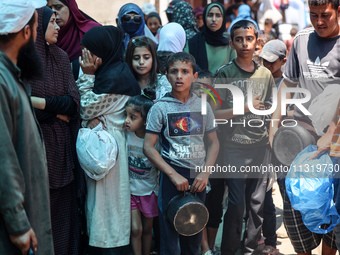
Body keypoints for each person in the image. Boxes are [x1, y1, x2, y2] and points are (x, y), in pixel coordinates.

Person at [269, 0, 340, 253]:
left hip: (335, 146)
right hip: (300, 139)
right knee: (297, 208)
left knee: (330, 210)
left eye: (326, 15)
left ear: (338, 11)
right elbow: (287, 84)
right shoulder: (301, 39)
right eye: (313, 15)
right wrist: (274, 123)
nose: (319, 21)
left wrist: (332, 133)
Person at [143, 52, 219, 255]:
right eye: (174, 71)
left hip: (198, 179)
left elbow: (214, 143)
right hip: (172, 177)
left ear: (194, 76)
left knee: (193, 236)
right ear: (166, 75)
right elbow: (148, 147)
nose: (179, 76)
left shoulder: (203, 106)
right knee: (170, 242)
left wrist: (205, 173)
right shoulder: (160, 108)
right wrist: (172, 175)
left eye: (185, 71)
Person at [77, 25, 140, 254]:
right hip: (105, 147)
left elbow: (83, 108)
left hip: (111, 152)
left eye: (88, 51)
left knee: (109, 206)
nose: (84, 58)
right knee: (102, 206)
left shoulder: (115, 80)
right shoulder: (111, 75)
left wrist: (86, 76)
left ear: (103, 51)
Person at [214, 20, 275, 255]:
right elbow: (213, 113)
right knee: (237, 204)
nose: (244, 44)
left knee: (256, 205)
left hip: (260, 148)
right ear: (231, 44)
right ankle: (229, 250)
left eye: (249, 39)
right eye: (238, 39)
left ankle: (249, 249)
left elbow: (270, 113)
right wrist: (245, 107)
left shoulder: (265, 74)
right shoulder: (225, 73)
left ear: (257, 42)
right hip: (233, 148)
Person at [0, 0, 54, 254]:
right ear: (26, 31)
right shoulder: (2, 81)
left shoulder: (12, 77)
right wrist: (19, 224)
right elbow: (2, 158)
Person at [29, 6, 83, 255]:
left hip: (62, 152)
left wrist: (39, 102)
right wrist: (55, 110)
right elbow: (23, 108)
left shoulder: (61, 57)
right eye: (52, 22)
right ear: (38, 27)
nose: (58, 26)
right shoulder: (23, 61)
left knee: (64, 217)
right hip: (36, 150)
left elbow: (72, 105)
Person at [125, 88, 159, 255]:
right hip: (131, 191)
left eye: (132, 117)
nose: (127, 121)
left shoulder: (154, 141)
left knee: (147, 230)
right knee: (136, 230)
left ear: (145, 121)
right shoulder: (126, 136)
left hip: (149, 192)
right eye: (126, 116)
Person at [46, 0, 101, 80]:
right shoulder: (42, 37)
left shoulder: (91, 32)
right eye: (49, 8)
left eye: (58, 7)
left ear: (71, 8)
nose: (53, 12)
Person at [187, 2, 237, 74]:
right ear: (205, 18)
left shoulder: (230, 43)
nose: (214, 19)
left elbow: (234, 72)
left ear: (223, 19)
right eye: (210, 15)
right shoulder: (193, 43)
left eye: (218, 15)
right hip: (199, 84)